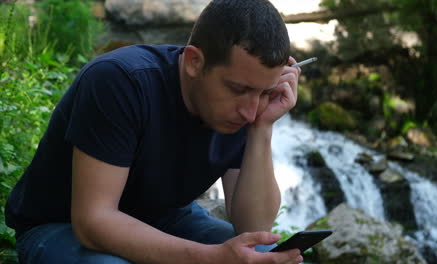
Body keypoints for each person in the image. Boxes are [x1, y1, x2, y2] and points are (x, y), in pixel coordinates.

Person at [5, 0, 303, 263]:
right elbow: (93, 223)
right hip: (59, 227)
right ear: (194, 62)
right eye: (239, 89)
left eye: (264, 92)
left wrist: (262, 129)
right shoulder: (121, 81)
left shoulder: (247, 108)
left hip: (167, 218)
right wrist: (210, 258)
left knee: (263, 257)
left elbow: (254, 227)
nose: (250, 110)